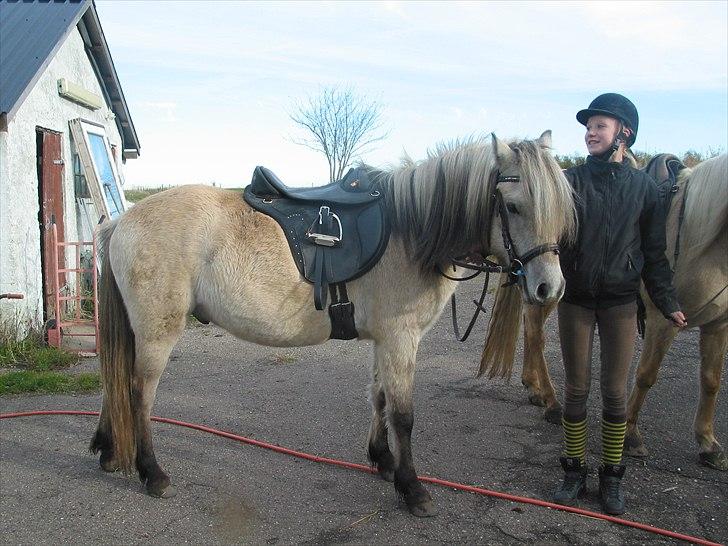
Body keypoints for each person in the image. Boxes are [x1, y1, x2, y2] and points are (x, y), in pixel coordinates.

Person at [553, 93, 687, 515]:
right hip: (575, 300)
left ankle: (612, 476)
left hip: (621, 305)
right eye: (588, 127)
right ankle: (573, 470)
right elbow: (548, 238)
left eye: (600, 126)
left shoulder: (644, 189)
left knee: (614, 393)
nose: (590, 133)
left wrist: (666, 301)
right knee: (576, 389)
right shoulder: (570, 182)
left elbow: (654, 252)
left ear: (623, 134)